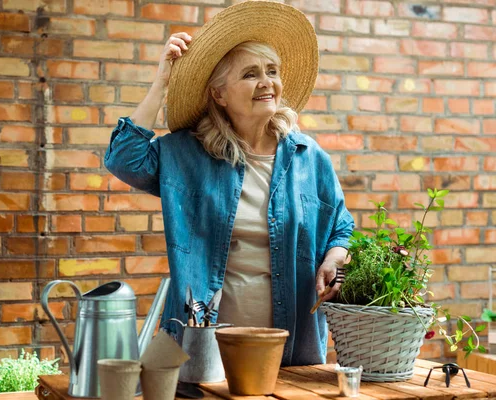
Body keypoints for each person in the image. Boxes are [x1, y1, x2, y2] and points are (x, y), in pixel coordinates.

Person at [104, 1, 354, 366]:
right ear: (219, 94)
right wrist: (162, 82)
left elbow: (341, 229)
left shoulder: (308, 157)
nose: (267, 82)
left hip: (290, 347)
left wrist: (334, 260)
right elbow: (124, 159)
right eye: (250, 74)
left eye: (272, 70)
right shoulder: (188, 154)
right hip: (203, 346)